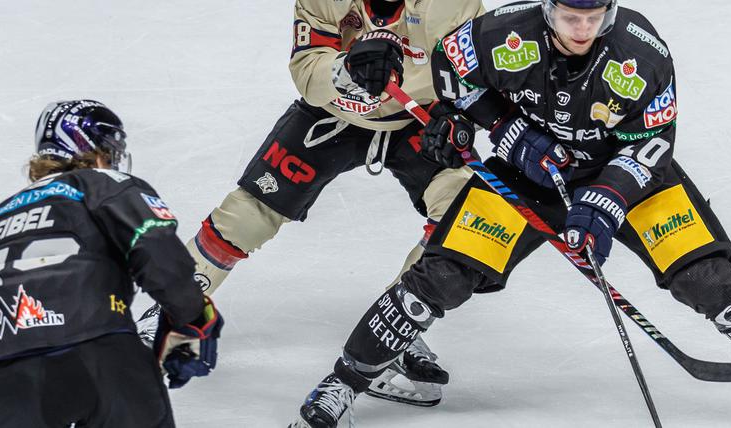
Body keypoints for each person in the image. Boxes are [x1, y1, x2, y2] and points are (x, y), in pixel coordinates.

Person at [297, 0, 731, 427]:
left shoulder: (643, 54)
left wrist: (603, 203)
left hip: (629, 178)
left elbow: (652, 144)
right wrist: (506, 133)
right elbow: (450, 71)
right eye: (567, 14)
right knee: (439, 276)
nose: (580, 28)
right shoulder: (503, 34)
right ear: (547, 9)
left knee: (707, 279)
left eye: (593, 15)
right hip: (526, 178)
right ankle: (345, 381)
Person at [133, 0, 486, 407]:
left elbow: (475, 80)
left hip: (418, 120)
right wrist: (346, 67)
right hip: (334, 114)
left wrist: (457, 116)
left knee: (461, 220)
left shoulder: (454, 4)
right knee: (251, 211)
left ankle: (393, 331)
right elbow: (307, 75)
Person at [0, 100, 223, 428]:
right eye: (110, 149)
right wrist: (194, 319)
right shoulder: (102, 183)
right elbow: (157, 253)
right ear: (92, 148)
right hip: (97, 349)